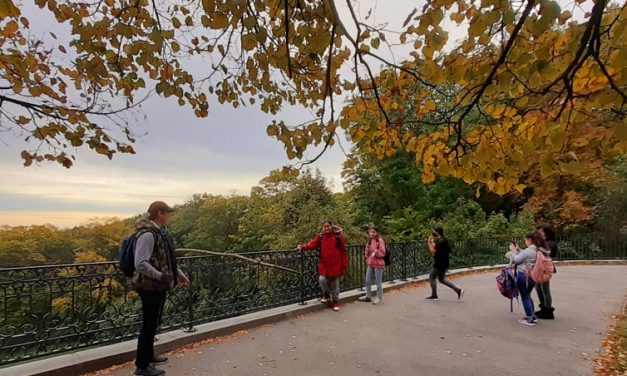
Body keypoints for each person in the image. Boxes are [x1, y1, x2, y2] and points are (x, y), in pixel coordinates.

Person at [132, 201, 190, 376]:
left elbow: (167, 259)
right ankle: (142, 366)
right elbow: (140, 263)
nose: (170, 217)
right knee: (148, 325)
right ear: (160, 213)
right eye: (168, 213)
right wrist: (161, 276)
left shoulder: (161, 233)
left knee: (154, 322)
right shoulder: (148, 235)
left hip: (158, 286)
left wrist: (178, 274)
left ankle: (149, 356)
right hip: (149, 286)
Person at [297, 221, 348, 312]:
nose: (326, 228)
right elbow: (312, 245)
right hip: (324, 264)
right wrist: (302, 247)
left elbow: (343, 251)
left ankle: (335, 301)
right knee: (322, 279)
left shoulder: (338, 237)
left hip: (336, 264)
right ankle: (327, 294)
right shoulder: (320, 237)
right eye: (325, 226)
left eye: (328, 226)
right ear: (323, 228)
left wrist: (344, 265)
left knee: (335, 284)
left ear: (331, 227)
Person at [507, 232, 547, 327]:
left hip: (524, 276)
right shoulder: (536, 250)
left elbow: (516, 260)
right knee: (528, 296)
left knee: (525, 297)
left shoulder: (529, 251)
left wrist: (513, 251)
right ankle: (532, 316)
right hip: (532, 277)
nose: (525, 242)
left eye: (525, 240)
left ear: (530, 240)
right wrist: (518, 250)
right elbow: (524, 255)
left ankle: (529, 318)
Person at [425, 227, 464, 301]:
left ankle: (434, 295)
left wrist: (429, 242)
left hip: (439, 263)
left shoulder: (441, 241)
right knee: (441, 279)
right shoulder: (444, 240)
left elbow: (433, 251)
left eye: (434, 233)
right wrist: (434, 242)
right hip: (445, 263)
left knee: (431, 277)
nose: (433, 234)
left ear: (437, 233)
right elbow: (444, 249)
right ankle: (458, 291)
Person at [358, 226, 386, 305]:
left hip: (378, 264)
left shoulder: (380, 240)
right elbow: (367, 251)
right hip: (371, 263)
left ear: (377, 232)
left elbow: (382, 253)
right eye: (371, 232)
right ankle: (368, 296)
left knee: (378, 282)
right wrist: (367, 256)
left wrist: (374, 251)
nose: (372, 233)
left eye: (374, 232)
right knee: (367, 280)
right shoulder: (369, 241)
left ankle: (379, 298)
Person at [535, 224, 558, 319]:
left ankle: (548, 311)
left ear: (545, 232)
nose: (539, 232)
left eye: (541, 231)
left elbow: (549, 253)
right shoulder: (543, 242)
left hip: (545, 269)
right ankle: (543, 308)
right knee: (538, 288)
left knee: (545, 289)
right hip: (539, 268)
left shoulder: (550, 243)